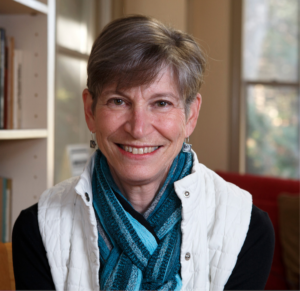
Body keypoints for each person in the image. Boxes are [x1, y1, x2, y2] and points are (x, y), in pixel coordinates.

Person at [12, 15, 275, 291]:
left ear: (191, 115)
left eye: (161, 103)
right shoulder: (37, 229)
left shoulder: (246, 229)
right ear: (90, 111)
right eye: (118, 101)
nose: (138, 128)